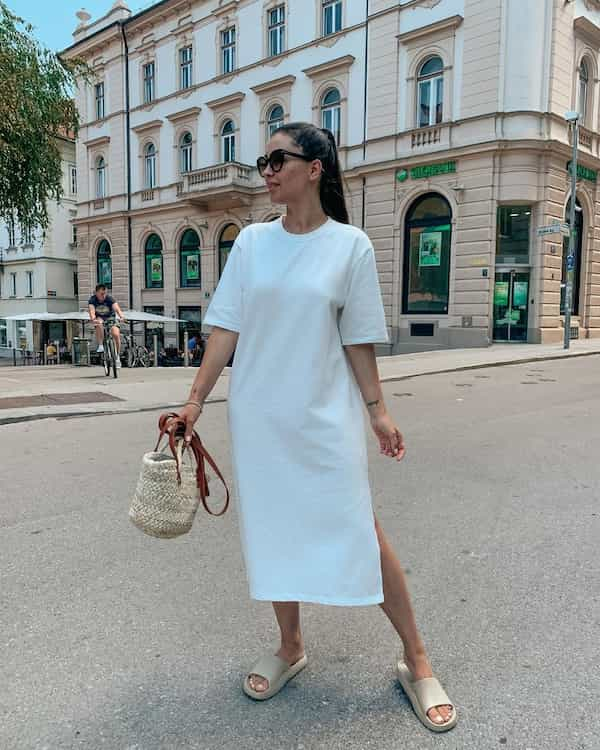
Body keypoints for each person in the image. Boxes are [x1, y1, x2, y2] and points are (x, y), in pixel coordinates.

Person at [176, 123, 456, 733]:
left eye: (279, 158)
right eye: (263, 160)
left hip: (324, 418)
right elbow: (225, 327)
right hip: (261, 417)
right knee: (274, 530)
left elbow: (358, 338)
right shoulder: (250, 243)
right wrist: (195, 400)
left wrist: (378, 411)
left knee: (360, 529)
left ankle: (417, 659)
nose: (267, 169)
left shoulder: (349, 246)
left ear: (315, 168)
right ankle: (289, 644)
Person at [88, 284, 126, 367]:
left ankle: (117, 357)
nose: (103, 295)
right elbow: (91, 310)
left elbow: (117, 308)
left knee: (116, 334)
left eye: (105, 293)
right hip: (100, 318)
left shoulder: (109, 298)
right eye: (102, 293)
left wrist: (121, 316)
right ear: (96, 293)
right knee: (98, 323)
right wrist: (93, 318)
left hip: (110, 318)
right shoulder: (92, 300)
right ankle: (101, 345)